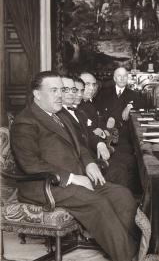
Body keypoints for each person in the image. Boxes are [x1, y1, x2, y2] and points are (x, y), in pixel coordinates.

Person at [10, 71, 139, 261]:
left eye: (60, 90)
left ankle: (138, 250)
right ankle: (127, 257)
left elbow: (81, 144)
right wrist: (71, 178)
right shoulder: (25, 121)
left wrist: (89, 164)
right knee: (98, 203)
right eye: (53, 90)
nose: (60, 95)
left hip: (78, 177)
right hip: (46, 184)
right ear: (37, 94)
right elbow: (30, 164)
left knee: (122, 196)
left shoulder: (62, 113)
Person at [95, 67, 144, 145]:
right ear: (114, 78)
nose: (122, 78)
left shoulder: (135, 95)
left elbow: (144, 106)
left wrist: (130, 106)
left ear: (127, 78)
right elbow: (97, 111)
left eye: (124, 76)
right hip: (106, 134)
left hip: (126, 137)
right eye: (119, 76)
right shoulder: (104, 93)